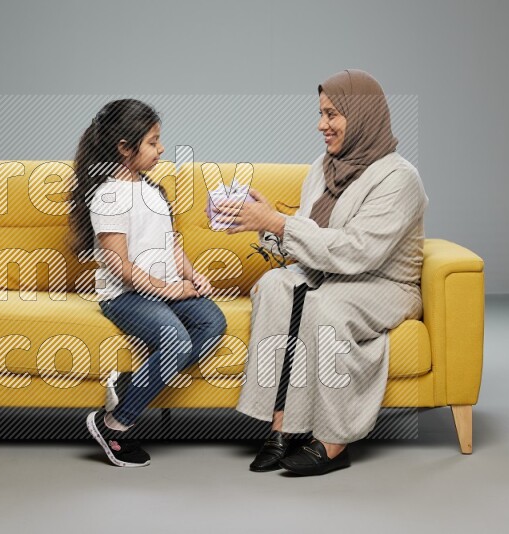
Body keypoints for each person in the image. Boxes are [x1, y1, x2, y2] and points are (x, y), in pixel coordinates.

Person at [215, 69, 428, 476]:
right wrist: (268, 223)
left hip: (383, 283)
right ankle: (283, 424)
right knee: (276, 286)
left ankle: (333, 441)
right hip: (333, 272)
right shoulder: (324, 166)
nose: (321, 125)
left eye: (332, 114)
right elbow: (314, 236)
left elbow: (358, 250)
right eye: (320, 113)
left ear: (361, 115)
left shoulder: (399, 179)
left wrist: (280, 224)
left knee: (326, 307)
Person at [69, 99, 227, 468]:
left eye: (160, 141)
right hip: (125, 295)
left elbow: (171, 245)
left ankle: (128, 385)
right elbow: (118, 264)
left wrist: (191, 275)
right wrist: (170, 290)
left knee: (213, 322)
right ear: (125, 147)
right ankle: (114, 424)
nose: (162, 149)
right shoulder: (108, 196)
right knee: (174, 339)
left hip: (164, 290)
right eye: (153, 142)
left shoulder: (153, 191)